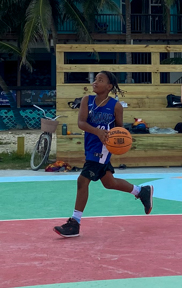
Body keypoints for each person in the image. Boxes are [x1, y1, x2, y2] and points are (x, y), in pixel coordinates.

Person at [53, 71, 154, 237]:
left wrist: (118, 143)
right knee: (109, 182)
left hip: (103, 149)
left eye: (100, 80)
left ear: (109, 86)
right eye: (95, 79)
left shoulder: (116, 106)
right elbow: (81, 123)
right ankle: (141, 191)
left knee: (82, 181)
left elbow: (119, 130)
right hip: (91, 146)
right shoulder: (87, 100)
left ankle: (75, 223)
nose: (95, 82)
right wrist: (97, 132)